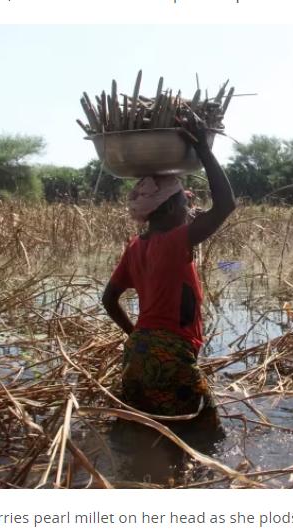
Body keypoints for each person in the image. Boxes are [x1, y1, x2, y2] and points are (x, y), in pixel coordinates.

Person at [101, 114, 235, 433]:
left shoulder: (137, 246)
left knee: (144, 431)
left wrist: (138, 336)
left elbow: (109, 300)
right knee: (203, 435)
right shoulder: (176, 241)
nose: (190, 208)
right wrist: (203, 148)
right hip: (170, 352)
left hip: (137, 352)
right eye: (184, 202)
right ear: (172, 209)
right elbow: (226, 204)